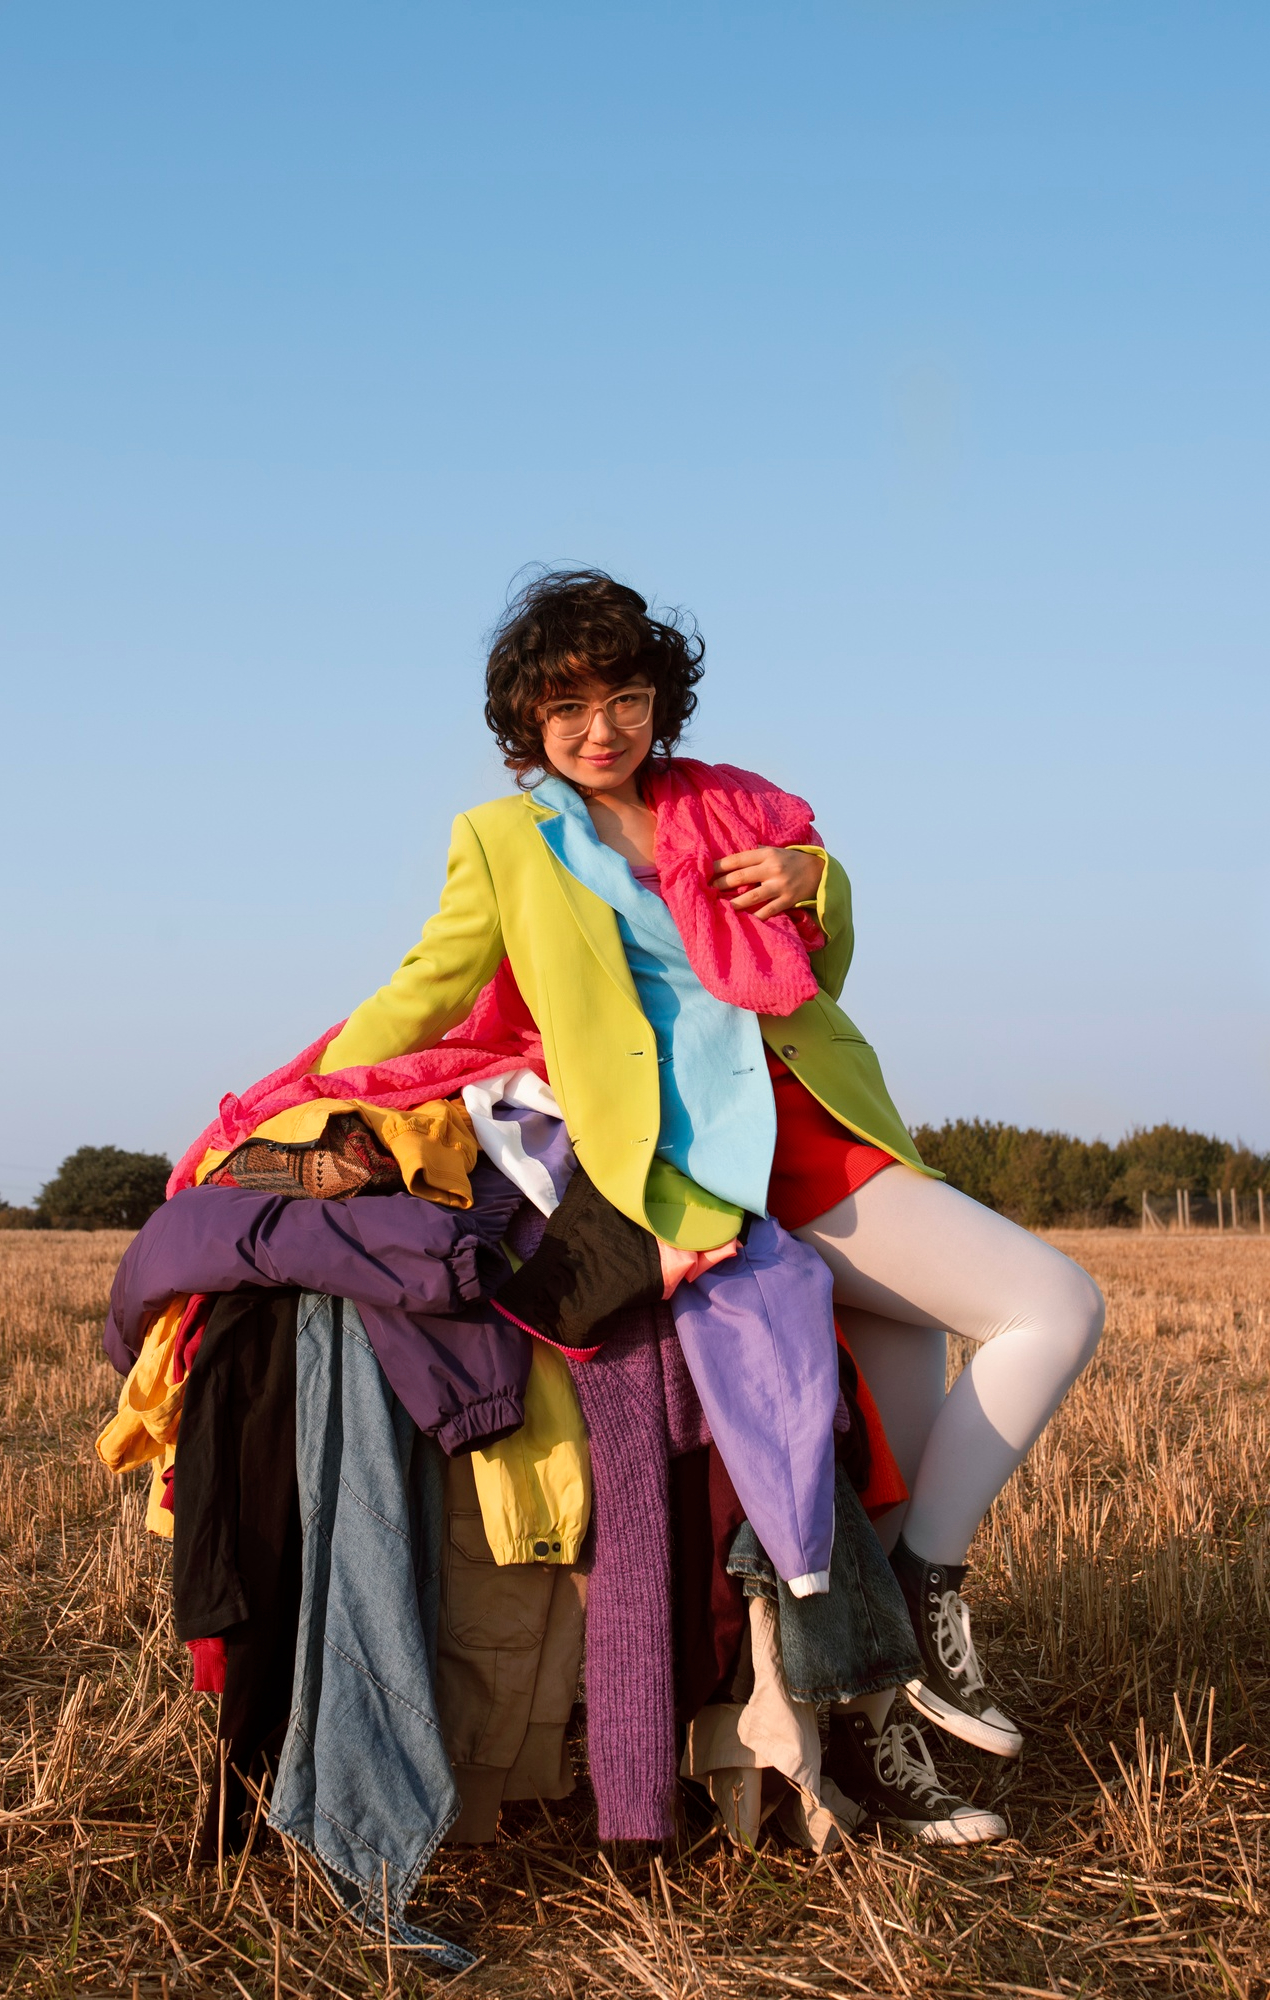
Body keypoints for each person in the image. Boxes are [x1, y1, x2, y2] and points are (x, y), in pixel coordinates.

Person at [320, 568, 1105, 1843]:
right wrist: (294, 1104)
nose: (602, 729)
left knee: (892, 1462)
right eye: (568, 706)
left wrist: (817, 881)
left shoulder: (735, 808)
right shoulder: (505, 842)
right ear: (527, 717)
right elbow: (421, 992)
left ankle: (878, 1689)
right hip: (697, 1158)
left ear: (657, 702)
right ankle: (924, 1607)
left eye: (626, 697)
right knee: (1056, 1304)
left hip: (818, 1117)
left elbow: (819, 971)